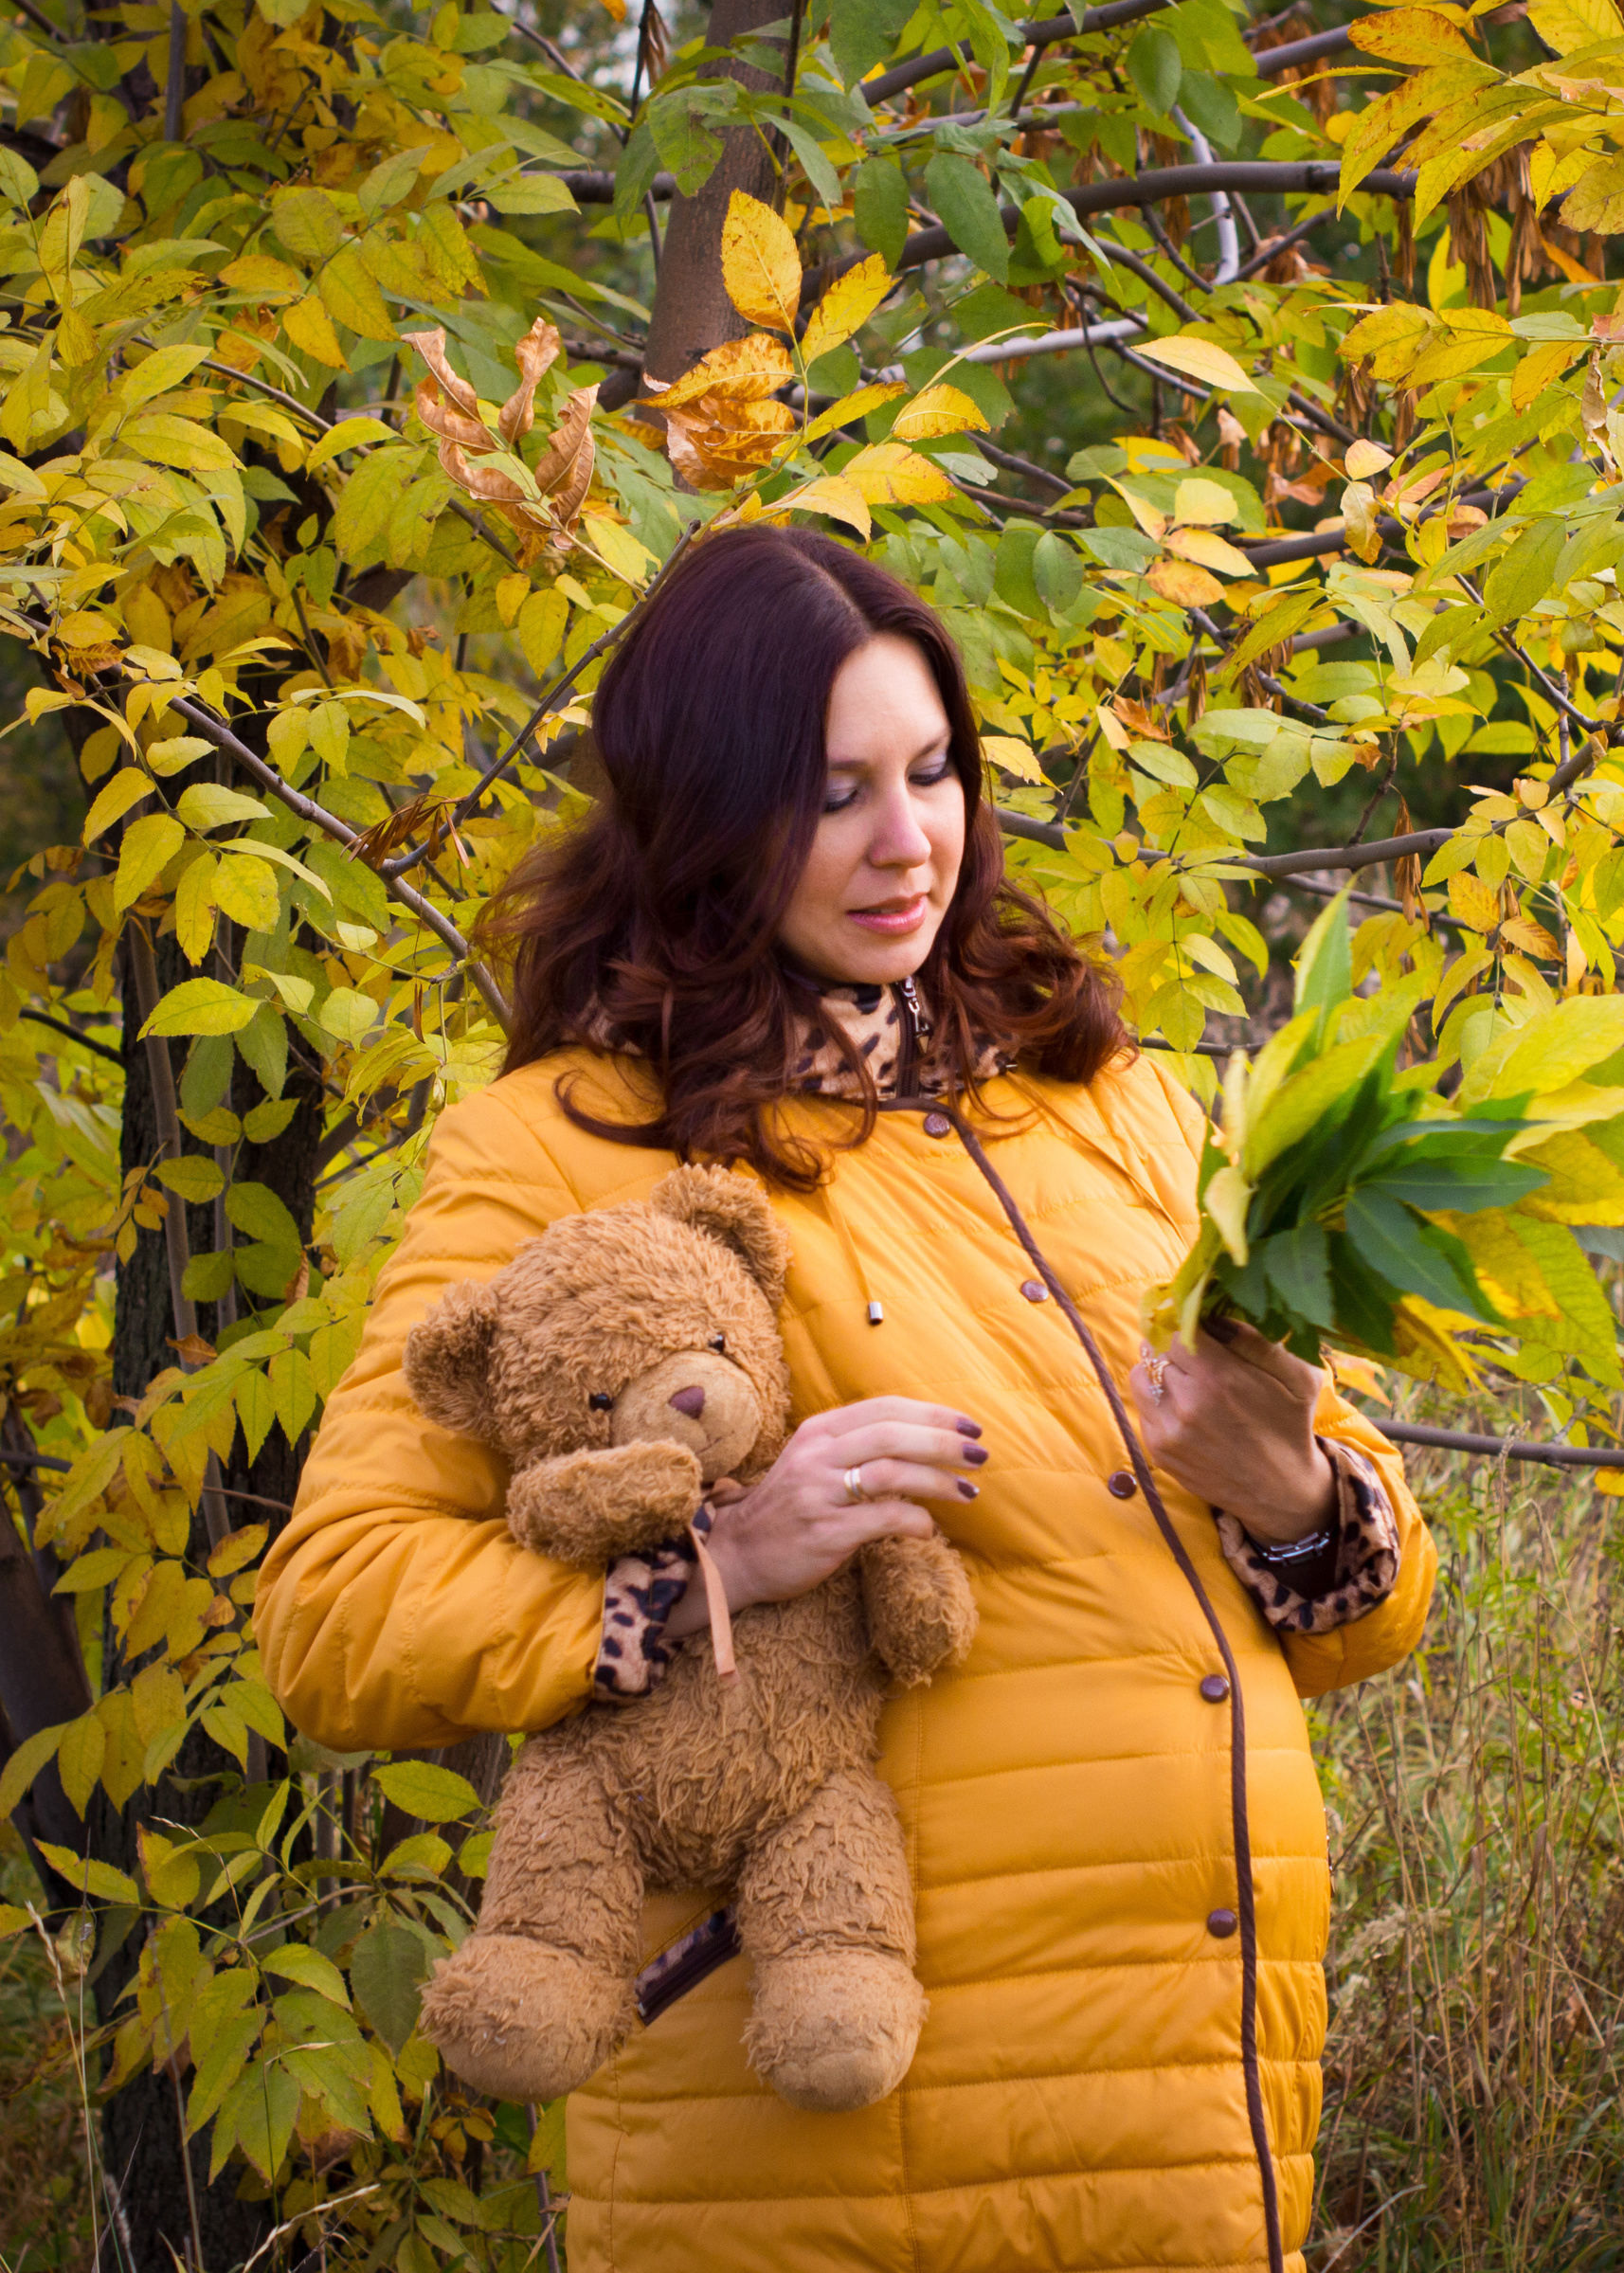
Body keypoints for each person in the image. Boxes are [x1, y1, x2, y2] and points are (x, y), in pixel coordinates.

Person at [255, 524, 1436, 2273]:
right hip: (830, 2145)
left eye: (933, 771)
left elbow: (1371, 1611)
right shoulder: (565, 1149)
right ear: (705, 816)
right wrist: (718, 1567)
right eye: (833, 796)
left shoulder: (1106, 1102)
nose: (909, 843)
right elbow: (336, 1614)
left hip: (1194, 2117)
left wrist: (1298, 1499)